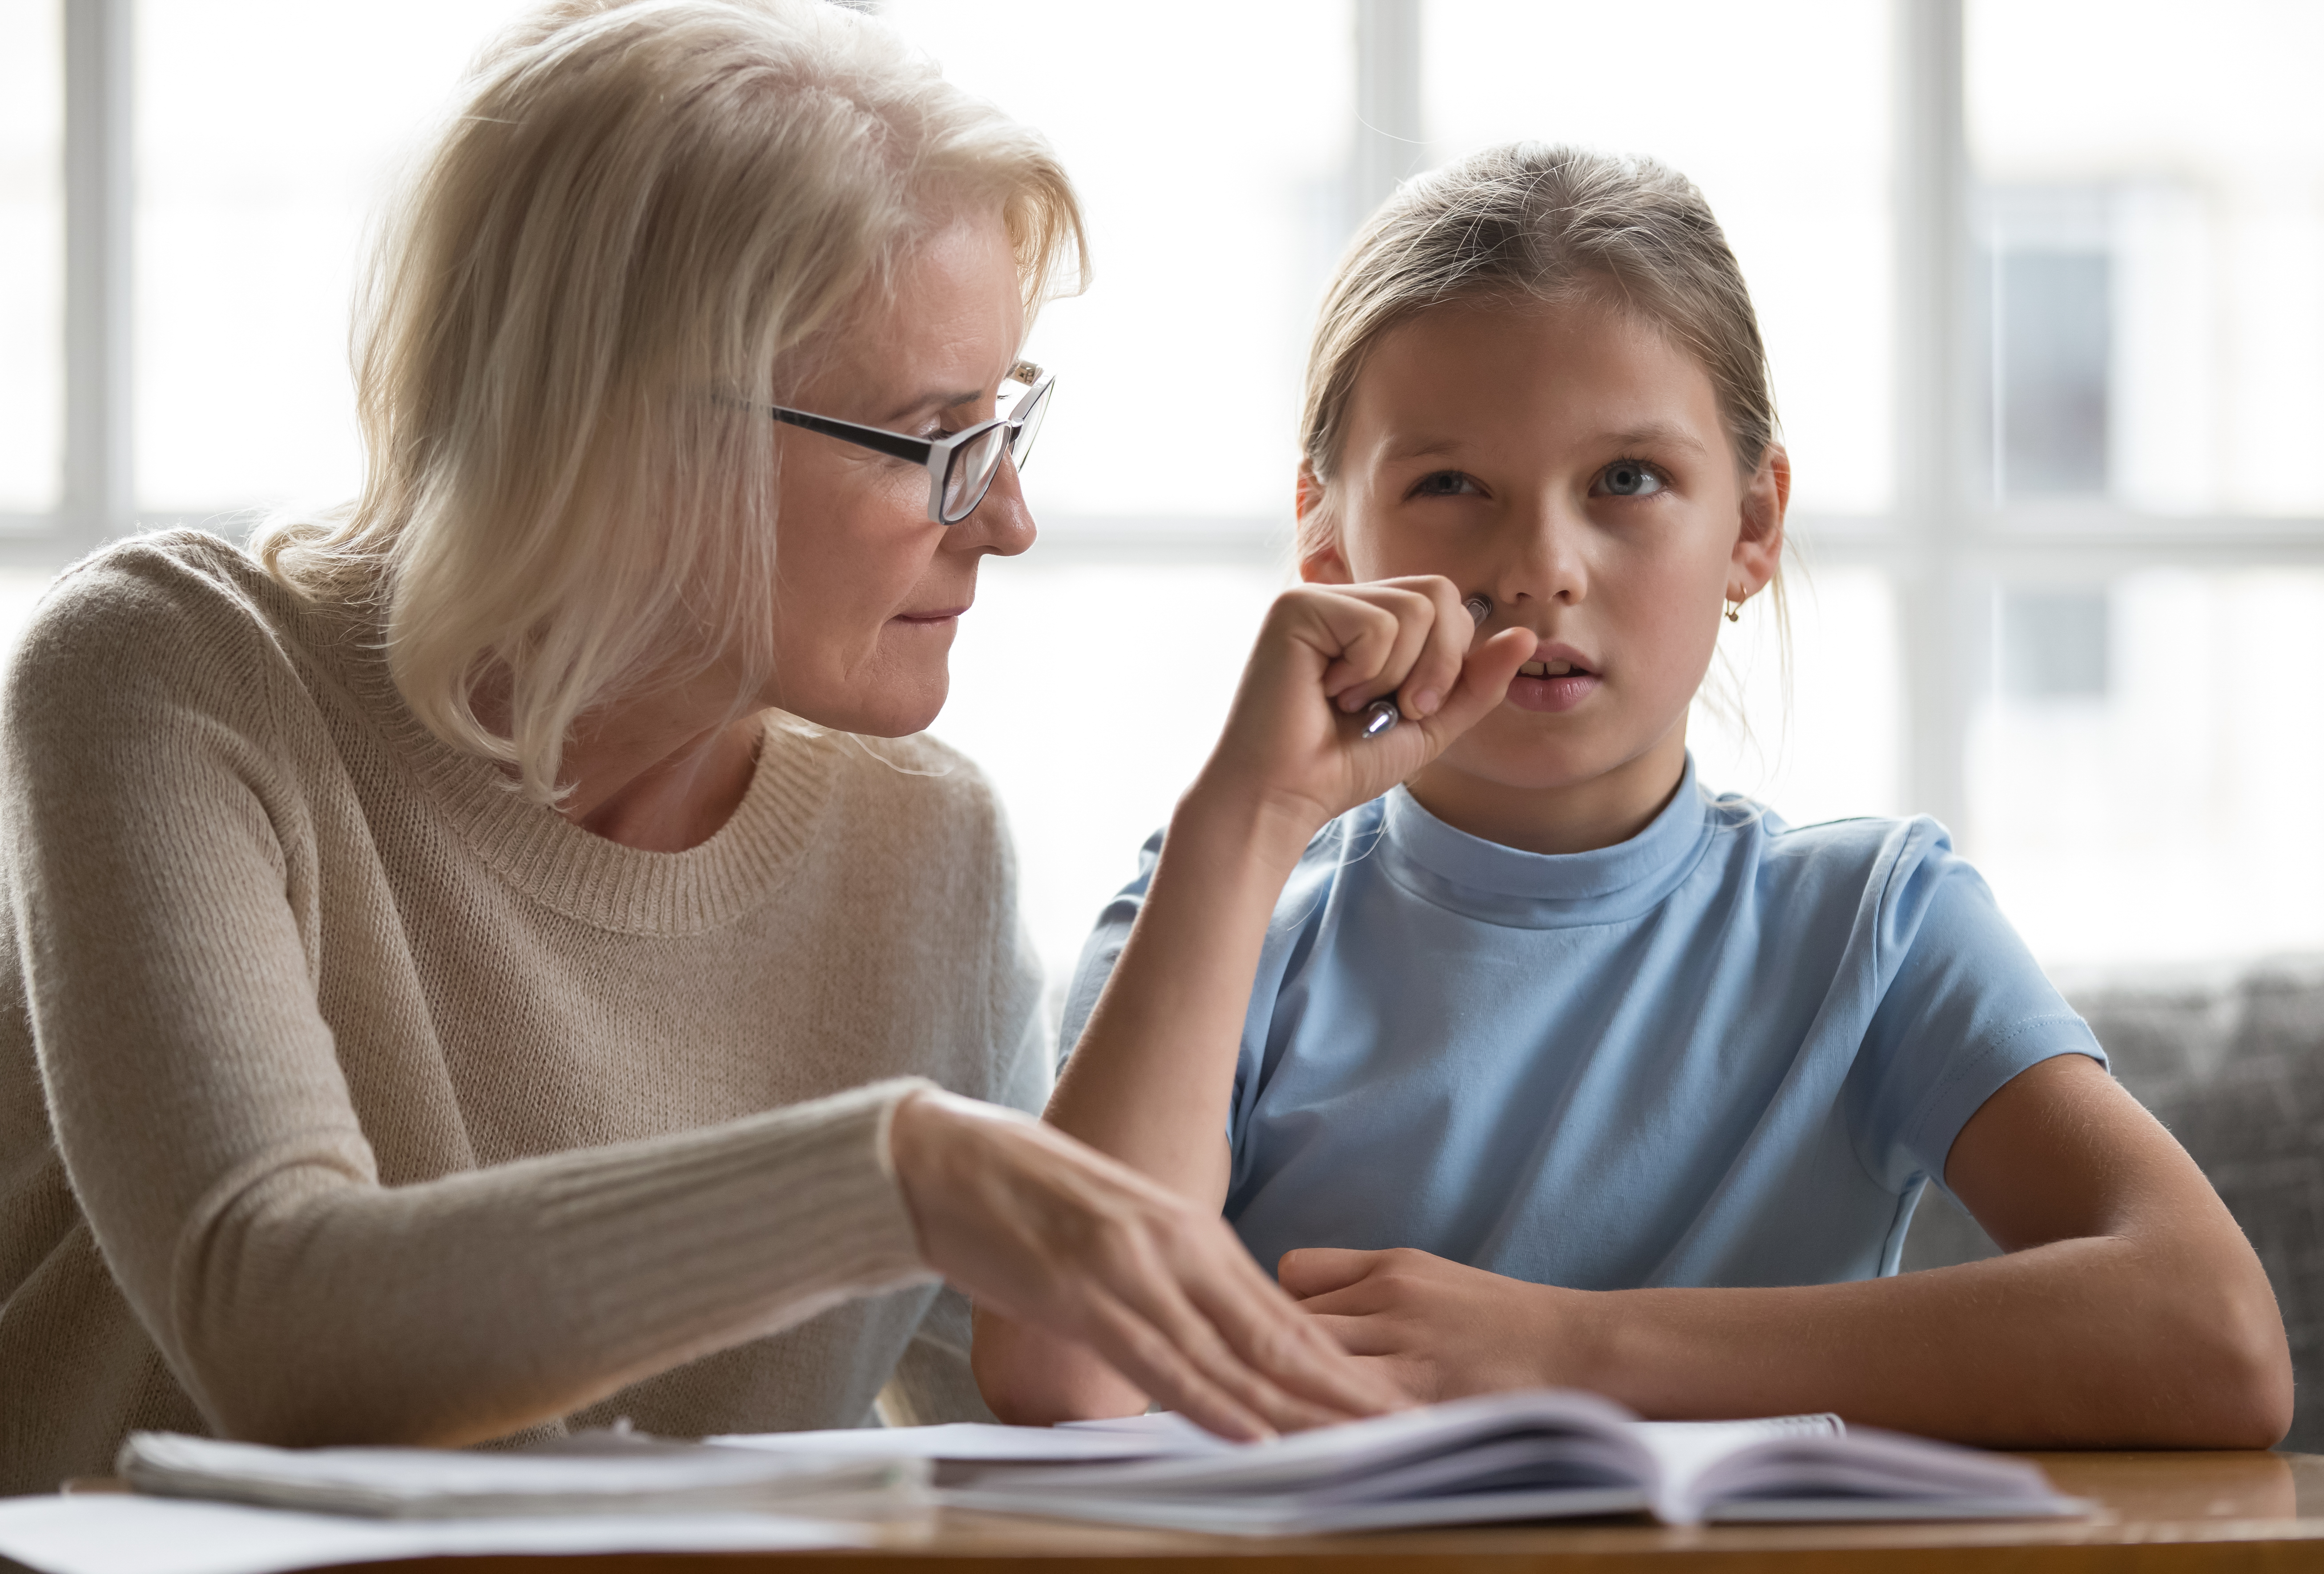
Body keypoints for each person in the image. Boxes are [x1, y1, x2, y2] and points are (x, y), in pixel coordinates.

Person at [0, 0, 1390, 1493]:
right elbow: (280, 1326)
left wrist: (1251, 815)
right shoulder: (174, 670)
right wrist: (891, 1175)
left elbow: (1013, 1431)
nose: (1005, 519)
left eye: (1005, 425)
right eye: (936, 439)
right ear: (636, 438)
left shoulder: (926, 842)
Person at [973, 144, 2294, 1448]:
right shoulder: (1218, 902)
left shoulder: (1874, 927)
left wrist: (1568, 1349)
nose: (1540, 566)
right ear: (1327, 536)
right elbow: (1058, 1370)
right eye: (1448, 486)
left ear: (1753, 525)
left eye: (1625, 481)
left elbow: (2214, 1338)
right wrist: (1244, 817)